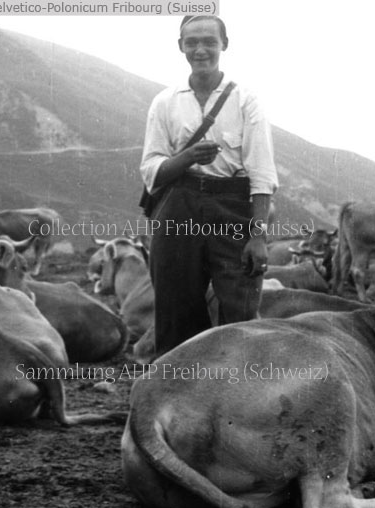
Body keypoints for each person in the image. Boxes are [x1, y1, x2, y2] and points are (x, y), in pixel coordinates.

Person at [140, 15, 278, 357]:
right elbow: (151, 169)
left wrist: (258, 236)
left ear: (224, 45)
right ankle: (178, 383)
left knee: (241, 308)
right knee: (174, 308)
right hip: (179, 206)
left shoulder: (246, 100)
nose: (200, 50)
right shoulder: (165, 102)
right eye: (192, 42)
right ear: (181, 46)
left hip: (233, 207)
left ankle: (243, 384)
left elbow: (262, 173)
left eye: (209, 42)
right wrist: (187, 158)